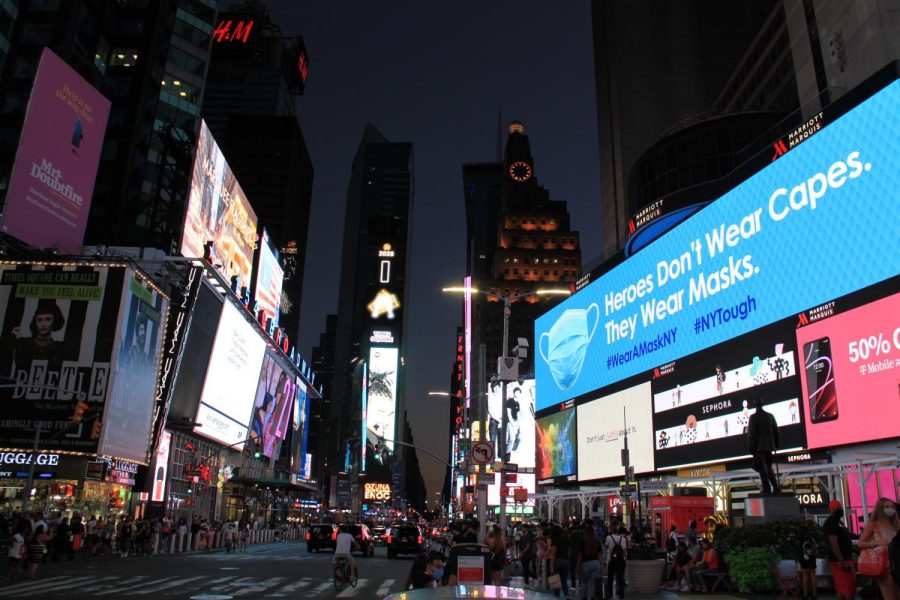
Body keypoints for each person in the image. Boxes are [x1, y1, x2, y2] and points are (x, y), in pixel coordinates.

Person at [859, 497, 900, 600]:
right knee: (890, 597)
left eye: (892, 507)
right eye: (887, 506)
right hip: (883, 564)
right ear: (880, 508)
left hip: (896, 561)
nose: (890, 509)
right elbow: (861, 543)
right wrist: (876, 543)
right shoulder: (873, 524)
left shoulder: (896, 524)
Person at [747, 397, 781, 494]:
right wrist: (776, 444)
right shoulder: (770, 416)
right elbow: (776, 431)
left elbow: (751, 434)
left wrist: (751, 448)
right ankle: (775, 487)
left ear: (755, 406)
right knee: (769, 467)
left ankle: (767, 488)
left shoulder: (753, 417)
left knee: (763, 468)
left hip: (759, 447)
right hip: (770, 446)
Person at [824, 499, 855, 600]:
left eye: (841, 507)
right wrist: (841, 561)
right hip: (841, 560)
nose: (840, 509)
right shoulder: (831, 522)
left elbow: (844, 537)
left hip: (844, 559)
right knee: (848, 587)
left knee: (843, 588)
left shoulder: (839, 522)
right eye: (838, 508)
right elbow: (833, 542)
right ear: (832, 510)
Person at [578, 525, 603, 600]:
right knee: (592, 583)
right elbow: (600, 555)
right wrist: (602, 565)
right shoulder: (597, 541)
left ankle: (585, 597)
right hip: (596, 563)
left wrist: (577, 565)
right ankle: (592, 597)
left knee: (584, 582)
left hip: (585, 563)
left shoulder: (583, 540)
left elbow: (580, 554)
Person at [795, 524, 818, 600]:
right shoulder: (811, 538)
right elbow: (815, 549)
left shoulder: (799, 538)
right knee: (813, 576)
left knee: (805, 576)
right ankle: (814, 594)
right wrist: (814, 557)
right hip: (811, 559)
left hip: (803, 559)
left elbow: (798, 549)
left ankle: (805, 594)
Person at [606, 526, 629, 599]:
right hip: (621, 561)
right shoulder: (623, 539)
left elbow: (606, 546)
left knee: (610, 578)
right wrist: (626, 559)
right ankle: (621, 595)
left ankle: (610, 594)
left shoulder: (608, 538)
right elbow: (625, 550)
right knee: (620, 578)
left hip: (611, 560)